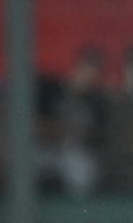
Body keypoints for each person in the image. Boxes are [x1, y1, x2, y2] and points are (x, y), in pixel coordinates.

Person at [35, 44, 109, 198]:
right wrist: (57, 129)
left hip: (72, 152)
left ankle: (79, 219)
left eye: (94, 70)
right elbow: (35, 123)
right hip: (46, 147)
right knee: (25, 163)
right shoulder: (52, 88)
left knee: (82, 169)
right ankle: (26, 218)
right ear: (77, 66)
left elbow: (99, 134)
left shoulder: (95, 100)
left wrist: (84, 133)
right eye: (86, 67)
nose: (89, 74)